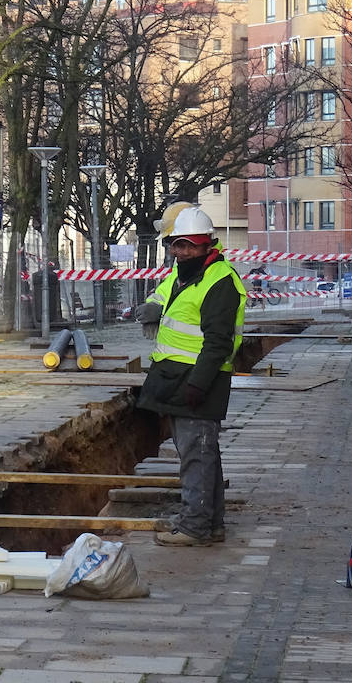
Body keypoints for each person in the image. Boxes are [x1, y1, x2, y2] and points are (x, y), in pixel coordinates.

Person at [135, 202, 245, 546]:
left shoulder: (220, 281)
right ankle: (210, 522)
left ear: (207, 245)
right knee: (201, 452)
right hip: (177, 378)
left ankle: (195, 525)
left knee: (197, 454)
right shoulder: (187, 276)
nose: (181, 251)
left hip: (198, 380)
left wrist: (198, 383)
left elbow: (217, 342)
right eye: (177, 245)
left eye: (189, 245)